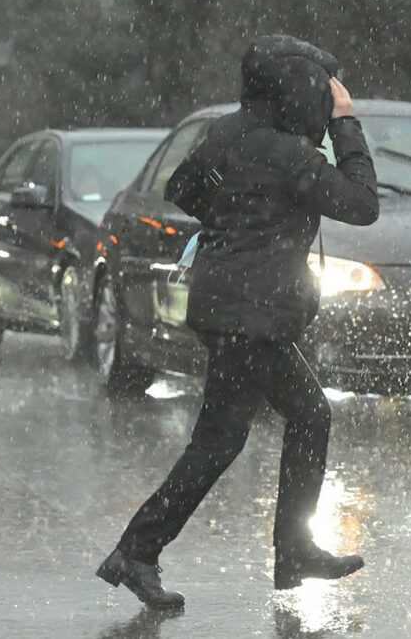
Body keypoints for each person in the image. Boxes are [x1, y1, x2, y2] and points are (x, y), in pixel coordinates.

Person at [96, 34, 380, 609]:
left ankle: (141, 551)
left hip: (227, 306)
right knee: (300, 418)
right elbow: (362, 203)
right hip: (255, 314)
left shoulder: (229, 135)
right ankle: (286, 551)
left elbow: (182, 187)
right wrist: (347, 126)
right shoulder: (290, 155)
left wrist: (237, 221)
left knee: (223, 440)